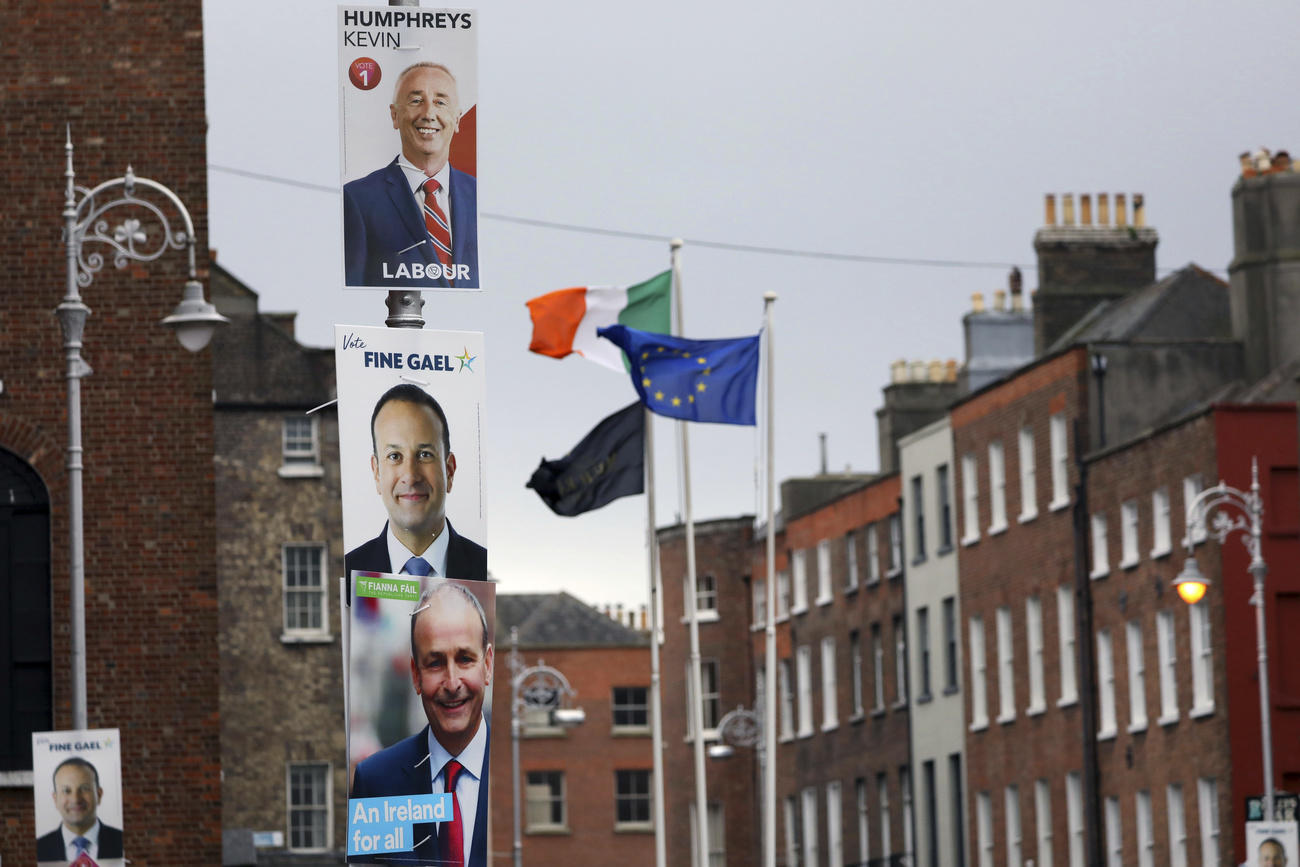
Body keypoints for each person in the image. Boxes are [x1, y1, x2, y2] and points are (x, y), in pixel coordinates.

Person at [350, 582, 493, 866]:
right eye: (435, 663)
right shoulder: (376, 782)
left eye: (465, 659)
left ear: (488, 665)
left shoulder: (516, 769)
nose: (452, 684)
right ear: (415, 675)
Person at [344, 61, 479, 289]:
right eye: (416, 101)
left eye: (440, 102)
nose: (428, 113)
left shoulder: (479, 197)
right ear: (395, 115)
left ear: (457, 119)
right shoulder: (358, 198)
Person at [345, 384, 486, 581]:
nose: (410, 476)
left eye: (425, 454)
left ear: (450, 470)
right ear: (376, 473)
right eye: (394, 456)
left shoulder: (486, 568)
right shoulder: (347, 572)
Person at [36, 757, 123, 863]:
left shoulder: (122, 841)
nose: (75, 799)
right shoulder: (40, 848)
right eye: (66, 791)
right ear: (55, 799)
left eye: (84, 788)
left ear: (99, 795)